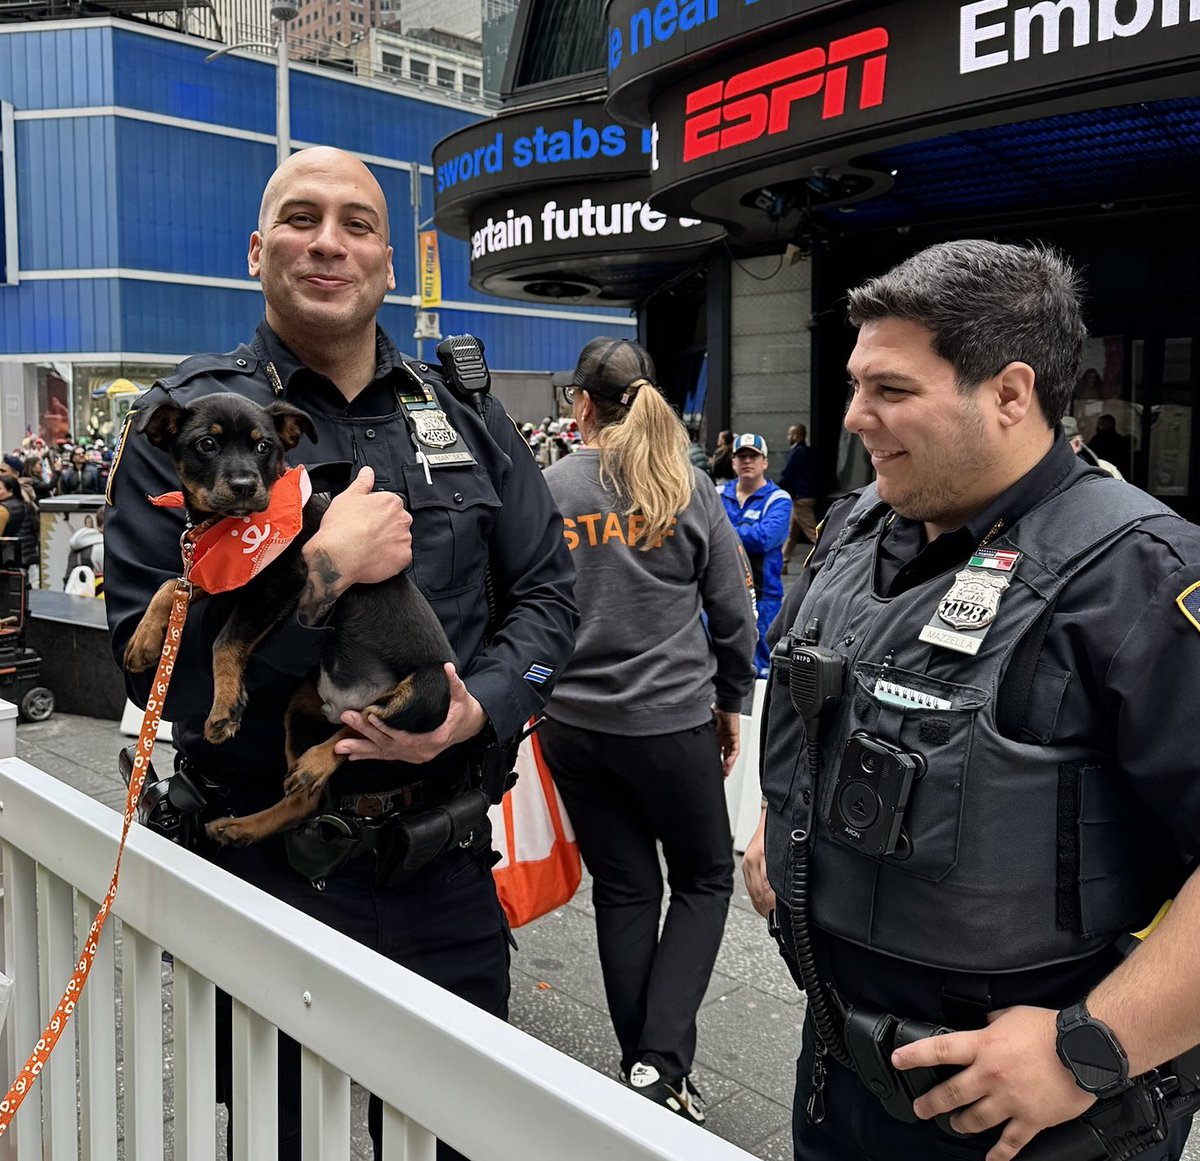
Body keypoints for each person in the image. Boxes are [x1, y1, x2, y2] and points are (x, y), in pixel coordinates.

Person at [104, 146, 578, 1161]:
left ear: (391, 262)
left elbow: (550, 599)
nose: (328, 243)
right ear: (256, 249)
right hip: (264, 875)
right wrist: (317, 570)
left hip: (443, 867)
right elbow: (149, 672)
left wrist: (478, 706)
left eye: (357, 223)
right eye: (301, 218)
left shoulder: (460, 409)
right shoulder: (184, 422)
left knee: (465, 1137)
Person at [742, 239, 1200, 1161]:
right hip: (842, 1079)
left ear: (1010, 392)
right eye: (855, 384)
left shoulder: (1142, 576)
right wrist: (780, 825)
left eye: (892, 390)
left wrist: (1090, 1048)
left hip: (1037, 1121)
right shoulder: (863, 525)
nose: (856, 418)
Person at [539, 336, 757, 1124]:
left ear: (582, 405)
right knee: (703, 879)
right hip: (669, 723)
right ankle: (660, 1063)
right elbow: (734, 610)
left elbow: (521, 604)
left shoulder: (554, 487)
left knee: (626, 888)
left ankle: (647, 1073)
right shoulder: (686, 485)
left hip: (575, 725)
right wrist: (733, 695)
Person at [719, 434, 790, 676]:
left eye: (753, 456)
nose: (747, 461)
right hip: (720, 592)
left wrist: (723, 531)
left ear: (765, 462)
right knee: (719, 663)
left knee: (763, 668)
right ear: (733, 462)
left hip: (763, 595)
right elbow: (703, 533)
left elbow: (765, 539)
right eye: (741, 456)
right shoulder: (717, 493)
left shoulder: (778, 499)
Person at [778, 422, 819, 573]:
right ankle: (782, 564)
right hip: (803, 497)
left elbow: (788, 474)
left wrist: (777, 490)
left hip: (801, 498)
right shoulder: (808, 452)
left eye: (790, 434)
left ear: (796, 436)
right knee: (791, 533)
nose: (788, 437)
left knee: (814, 535)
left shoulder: (798, 452)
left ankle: (829, 557)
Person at [1061, 414, 1123, 479]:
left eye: (1102, 424)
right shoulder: (1096, 439)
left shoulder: (1106, 469)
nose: (1099, 427)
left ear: (1077, 444)